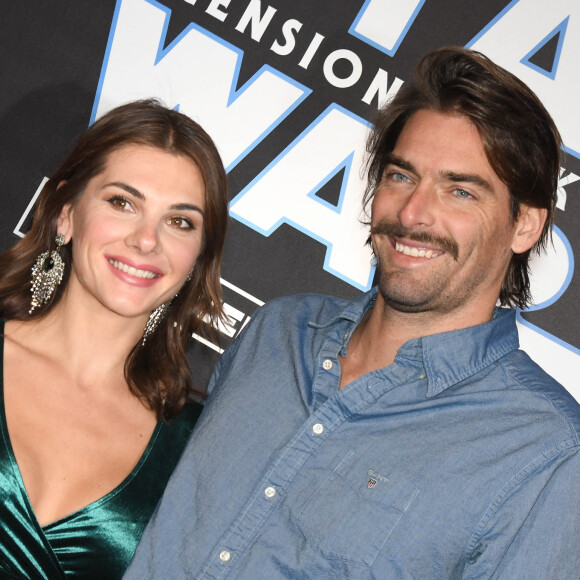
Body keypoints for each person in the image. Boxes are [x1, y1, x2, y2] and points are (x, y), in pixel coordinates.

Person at [126, 47, 580, 579]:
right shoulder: (280, 330)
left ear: (525, 225)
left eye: (460, 191)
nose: (412, 213)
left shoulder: (546, 450)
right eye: (400, 176)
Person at [0, 99, 228, 578]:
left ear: (197, 260)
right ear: (65, 213)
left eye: (180, 221)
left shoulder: (194, 444)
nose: (147, 240)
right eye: (122, 202)